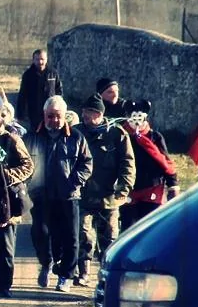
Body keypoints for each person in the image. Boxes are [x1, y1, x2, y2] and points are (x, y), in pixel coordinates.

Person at [28, 96, 94, 292]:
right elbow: (23, 162)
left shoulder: (76, 137)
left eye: (58, 117)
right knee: (41, 233)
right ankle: (47, 263)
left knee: (71, 238)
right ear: (44, 116)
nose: (54, 121)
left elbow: (87, 163)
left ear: (64, 116)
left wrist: (74, 182)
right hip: (41, 195)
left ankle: (65, 275)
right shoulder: (33, 136)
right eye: (50, 116)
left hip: (68, 195)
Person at [75, 95, 135, 288]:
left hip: (109, 198)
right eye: (83, 111)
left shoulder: (117, 135)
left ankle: (106, 277)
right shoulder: (76, 133)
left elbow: (128, 163)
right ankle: (83, 273)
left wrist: (124, 188)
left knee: (109, 238)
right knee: (83, 234)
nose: (84, 115)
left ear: (99, 114)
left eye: (89, 112)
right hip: (83, 195)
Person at [0, 98, 34, 299]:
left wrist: (5, 177)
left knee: (5, 246)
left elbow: (28, 166)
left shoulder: (10, 139)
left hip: (6, 198)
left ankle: (5, 284)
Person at [121, 102, 179, 230]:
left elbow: (165, 161)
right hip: (129, 189)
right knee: (128, 227)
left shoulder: (155, 137)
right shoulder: (121, 136)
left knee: (150, 227)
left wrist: (172, 183)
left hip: (152, 188)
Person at [17, 49, 64, 132]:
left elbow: (59, 91)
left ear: (46, 59)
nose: (40, 62)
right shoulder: (28, 75)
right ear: (33, 60)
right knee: (36, 134)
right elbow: (22, 95)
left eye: (42, 59)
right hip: (34, 112)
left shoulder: (53, 73)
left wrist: (59, 107)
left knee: (51, 132)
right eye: (37, 59)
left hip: (50, 111)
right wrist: (20, 114)